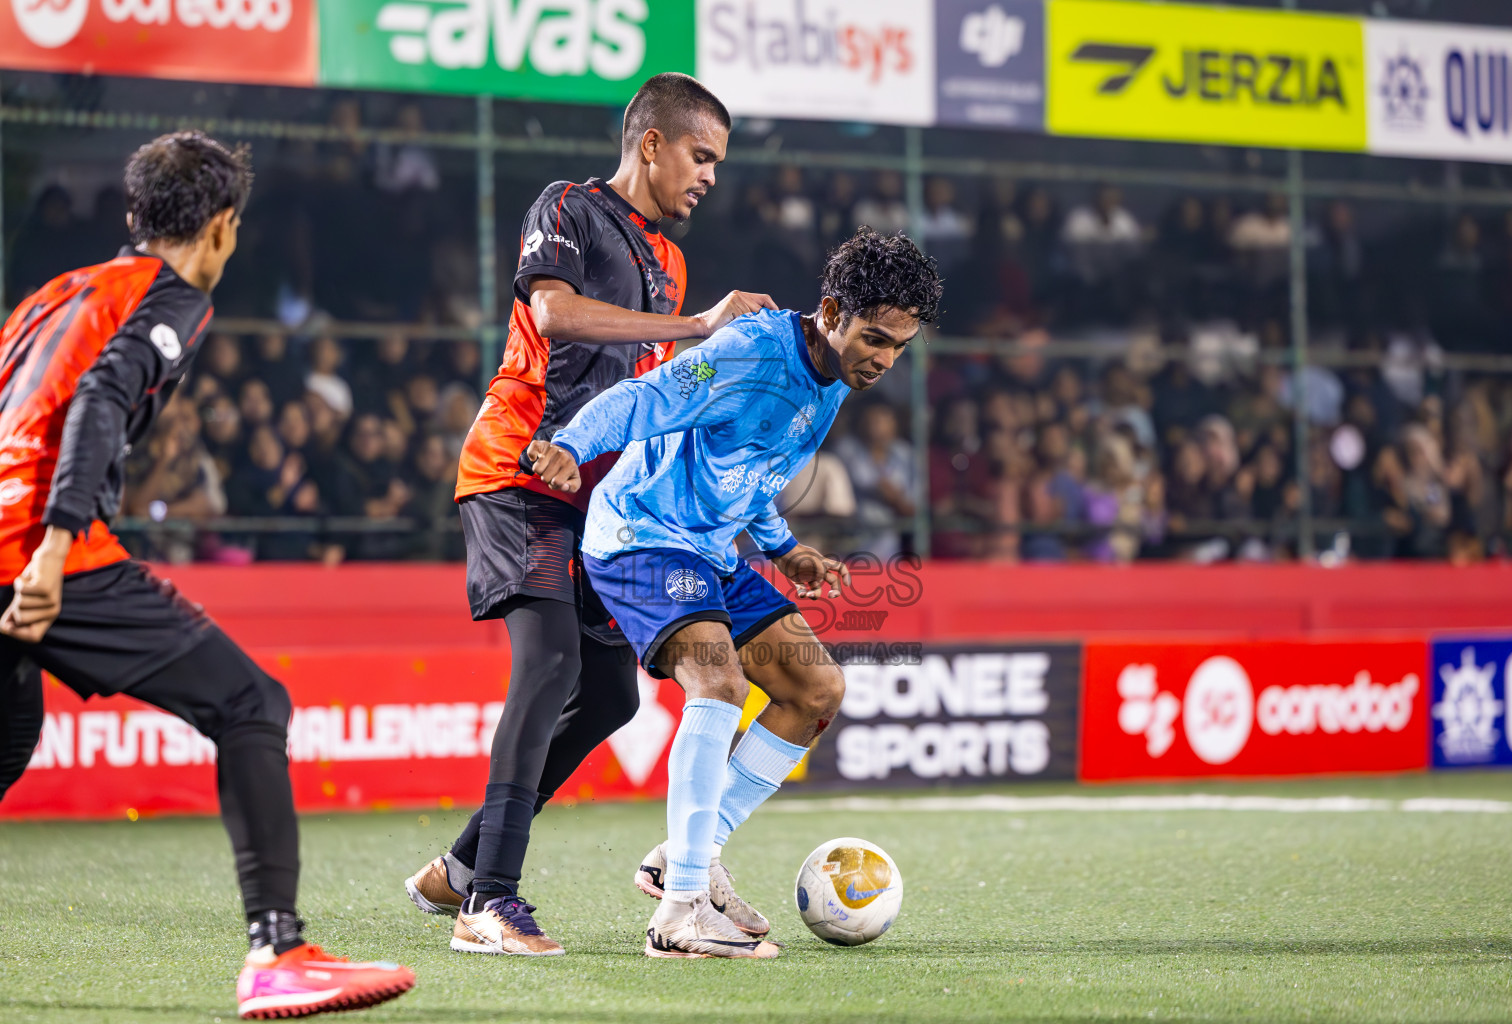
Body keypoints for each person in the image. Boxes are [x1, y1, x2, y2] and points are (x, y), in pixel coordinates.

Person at [0, 132, 414, 1018]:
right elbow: (103, 401)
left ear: (131, 215)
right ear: (222, 228)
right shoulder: (172, 296)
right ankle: (279, 951)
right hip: (37, 548)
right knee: (251, 703)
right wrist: (56, 543)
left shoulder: (54, 295)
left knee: (5, 739)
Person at [403, 73, 777, 957]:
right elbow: (554, 313)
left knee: (607, 697)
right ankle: (489, 904)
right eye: (701, 155)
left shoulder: (672, 259)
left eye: (718, 162)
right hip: (518, 473)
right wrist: (697, 326)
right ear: (651, 143)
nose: (710, 176)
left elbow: (651, 395)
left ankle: (459, 868)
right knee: (547, 668)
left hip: (597, 506)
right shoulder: (568, 206)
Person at [525, 229, 942, 958]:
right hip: (641, 533)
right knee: (716, 683)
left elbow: (746, 465)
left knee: (816, 690)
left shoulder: (836, 378)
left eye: (899, 347)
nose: (884, 360)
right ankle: (682, 912)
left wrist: (783, 548)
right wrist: (571, 443)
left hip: (711, 548)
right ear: (832, 308)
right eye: (875, 338)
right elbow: (641, 399)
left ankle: (684, 856)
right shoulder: (749, 352)